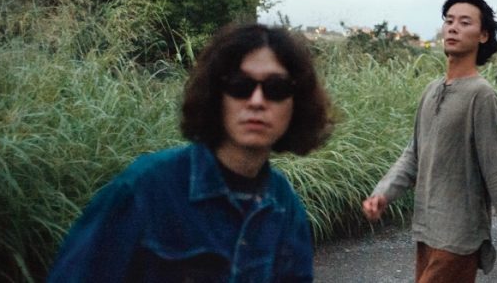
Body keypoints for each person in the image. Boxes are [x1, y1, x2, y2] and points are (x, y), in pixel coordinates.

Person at [48, 23, 334, 282]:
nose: (257, 101)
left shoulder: (284, 209)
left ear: (296, 103)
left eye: (276, 88)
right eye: (240, 85)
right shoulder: (146, 189)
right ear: (217, 95)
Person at [361, 0, 497, 282]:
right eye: (449, 21)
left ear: (483, 35)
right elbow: (413, 154)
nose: (453, 28)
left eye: (465, 23)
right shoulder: (431, 90)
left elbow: (494, 171)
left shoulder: (481, 95)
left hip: (459, 238)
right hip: (426, 231)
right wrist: (383, 193)